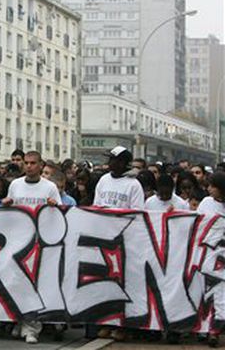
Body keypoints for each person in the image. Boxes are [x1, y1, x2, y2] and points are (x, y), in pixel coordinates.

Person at [2, 150, 60, 344]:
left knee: (35, 286)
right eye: (26, 163)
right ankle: (19, 321)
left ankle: (32, 328)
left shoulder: (50, 187)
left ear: (41, 165)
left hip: (40, 243)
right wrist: (6, 204)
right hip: (17, 241)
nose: (29, 166)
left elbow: (61, 216)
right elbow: (10, 211)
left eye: (33, 163)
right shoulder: (15, 185)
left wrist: (55, 206)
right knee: (16, 283)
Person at [93, 146, 144, 341]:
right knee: (105, 283)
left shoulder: (133, 185)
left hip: (124, 242)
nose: (109, 162)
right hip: (104, 239)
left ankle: (122, 325)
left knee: (123, 284)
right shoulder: (103, 180)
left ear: (123, 163)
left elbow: (137, 214)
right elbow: (97, 206)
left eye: (113, 159)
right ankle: (107, 322)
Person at [197, 171, 225, 347]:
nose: (208, 189)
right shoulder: (206, 203)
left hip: (223, 259)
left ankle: (215, 330)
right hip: (207, 256)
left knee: (221, 294)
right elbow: (195, 223)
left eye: (212, 186)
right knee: (207, 293)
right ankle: (207, 330)